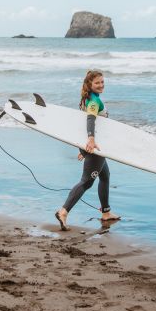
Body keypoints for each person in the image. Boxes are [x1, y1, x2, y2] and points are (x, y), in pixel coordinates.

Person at [55, 69, 121, 231]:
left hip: (93, 145)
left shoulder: (87, 98)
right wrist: (90, 140)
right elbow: (90, 119)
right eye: (97, 82)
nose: (101, 85)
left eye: (102, 82)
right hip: (95, 146)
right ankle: (63, 211)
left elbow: (80, 124)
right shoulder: (93, 101)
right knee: (87, 182)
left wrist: (83, 148)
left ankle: (106, 212)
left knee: (105, 176)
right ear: (89, 84)